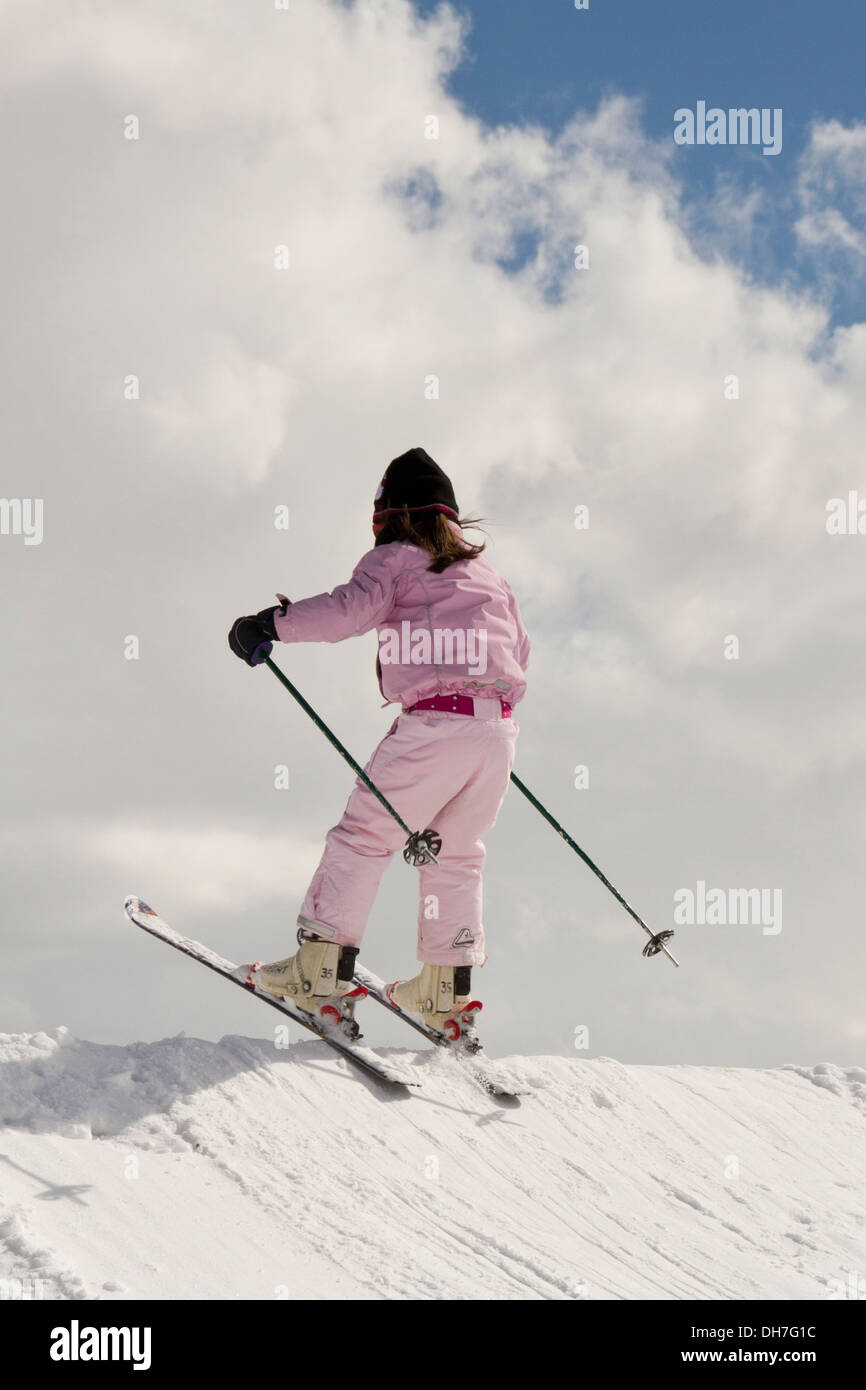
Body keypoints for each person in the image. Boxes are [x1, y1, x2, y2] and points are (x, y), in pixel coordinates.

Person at [228, 447, 530, 1042]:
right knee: (457, 852)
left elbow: (349, 611)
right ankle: (444, 990)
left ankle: (319, 973)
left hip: (434, 726)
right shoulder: (488, 575)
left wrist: (271, 624)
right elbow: (520, 650)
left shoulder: (394, 558)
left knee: (365, 836)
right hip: (496, 732)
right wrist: (485, 715)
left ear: (389, 512)